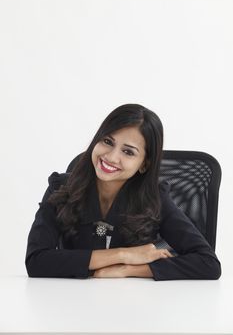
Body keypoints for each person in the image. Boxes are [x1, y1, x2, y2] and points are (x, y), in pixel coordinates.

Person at [25, 103, 221, 280]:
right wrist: (123, 255)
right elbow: (36, 261)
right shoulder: (61, 188)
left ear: (144, 164)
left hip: (134, 306)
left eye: (128, 152)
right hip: (69, 305)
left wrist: (129, 269)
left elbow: (208, 263)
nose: (111, 157)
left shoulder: (155, 199)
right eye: (108, 142)